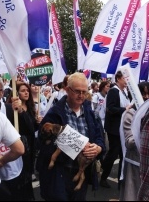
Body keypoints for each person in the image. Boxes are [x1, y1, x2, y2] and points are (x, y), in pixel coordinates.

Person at [37, 72, 106, 201]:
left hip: (80, 173)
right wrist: (72, 146)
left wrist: (98, 148)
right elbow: (42, 142)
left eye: (84, 92)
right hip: (59, 174)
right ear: (68, 90)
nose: (81, 96)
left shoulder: (90, 113)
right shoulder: (54, 113)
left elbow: (99, 137)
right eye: (77, 91)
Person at [0, 76, 24, 201]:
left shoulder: (11, 110)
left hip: (13, 170)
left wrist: (21, 112)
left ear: (2, 92)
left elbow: (29, 129)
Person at [119, 81, 149, 201]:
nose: (146, 97)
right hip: (134, 166)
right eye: (143, 94)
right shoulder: (130, 114)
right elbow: (129, 141)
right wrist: (145, 128)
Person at [100, 70, 133, 189]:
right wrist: (125, 109)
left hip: (123, 127)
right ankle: (103, 175)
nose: (126, 81)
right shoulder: (114, 91)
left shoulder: (125, 92)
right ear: (118, 79)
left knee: (122, 154)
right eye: (124, 78)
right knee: (114, 153)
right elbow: (110, 108)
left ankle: (121, 181)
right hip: (114, 129)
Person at [11, 82, 39, 201]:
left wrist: (37, 123)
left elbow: (32, 128)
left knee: (28, 172)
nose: (26, 92)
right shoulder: (12, 108)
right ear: (16, 93)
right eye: (23, 91)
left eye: (27, 90)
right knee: (20, 175)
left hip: (31, 145)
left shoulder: (31, 107)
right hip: (21, 145)